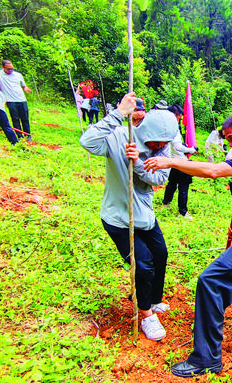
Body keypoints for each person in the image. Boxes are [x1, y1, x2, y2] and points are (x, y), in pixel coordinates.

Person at [143, 112, 232, 378]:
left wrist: (171, 161)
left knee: (210, 282)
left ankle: (206, 359)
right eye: (228, 140)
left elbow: (214, 170)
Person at [79, 92, 178, 342]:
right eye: (156, 142)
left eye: (164, 143)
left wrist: (139, 163)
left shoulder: (164, 150)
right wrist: (118, 114)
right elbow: (87, 141)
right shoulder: (121, 137)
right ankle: (145, 315)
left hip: (145, 217)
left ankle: (153, 300)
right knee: (143, 264)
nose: (159, 147)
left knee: (160, 254)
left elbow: (159, 178)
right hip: (118, 218)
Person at [162, 104, 197, 220]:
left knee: (171, 183)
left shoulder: (164, 127)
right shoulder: (173, 128)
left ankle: (166, 202)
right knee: (183, 187)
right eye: (179, 118)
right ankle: (183, 211)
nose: (179, 120)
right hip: (180, 162)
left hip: (171, 161)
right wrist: (191, 149)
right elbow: (177, 147)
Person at [0, 60, 32, 139]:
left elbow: (24, 86)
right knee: (15, 119)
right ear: (3, 67)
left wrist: (26, 88)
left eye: (11, 68)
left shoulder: (18, 75)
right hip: (10, 100)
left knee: (25, 119)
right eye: (8, 69)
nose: (10, 70)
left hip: (22, 99)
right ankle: (20, 136)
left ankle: (28, 135)